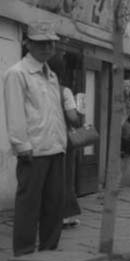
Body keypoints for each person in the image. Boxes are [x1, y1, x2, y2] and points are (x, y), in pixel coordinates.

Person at [3, 22, 66, 256]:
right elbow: (15, 112)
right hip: (33, 151)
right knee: (28, 207)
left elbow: (54, 112)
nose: (47, 47)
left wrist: (63, 142)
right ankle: (25, 254)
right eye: (41, 42)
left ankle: (50, 252)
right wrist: (21, 144)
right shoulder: (17, 73)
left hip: (56, 149)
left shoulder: (52, 76)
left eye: (51, 42)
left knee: (55, 206)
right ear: (28, 43)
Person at [47, 54, 83, 228]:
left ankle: (46, 214)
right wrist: (78, 119)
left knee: (47, 179)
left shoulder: (39, 88)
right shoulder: (64, 91)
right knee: (66, 177)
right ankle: (66, 215)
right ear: (62, 71)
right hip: (63, 140)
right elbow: (72, 117)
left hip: (42, 139)